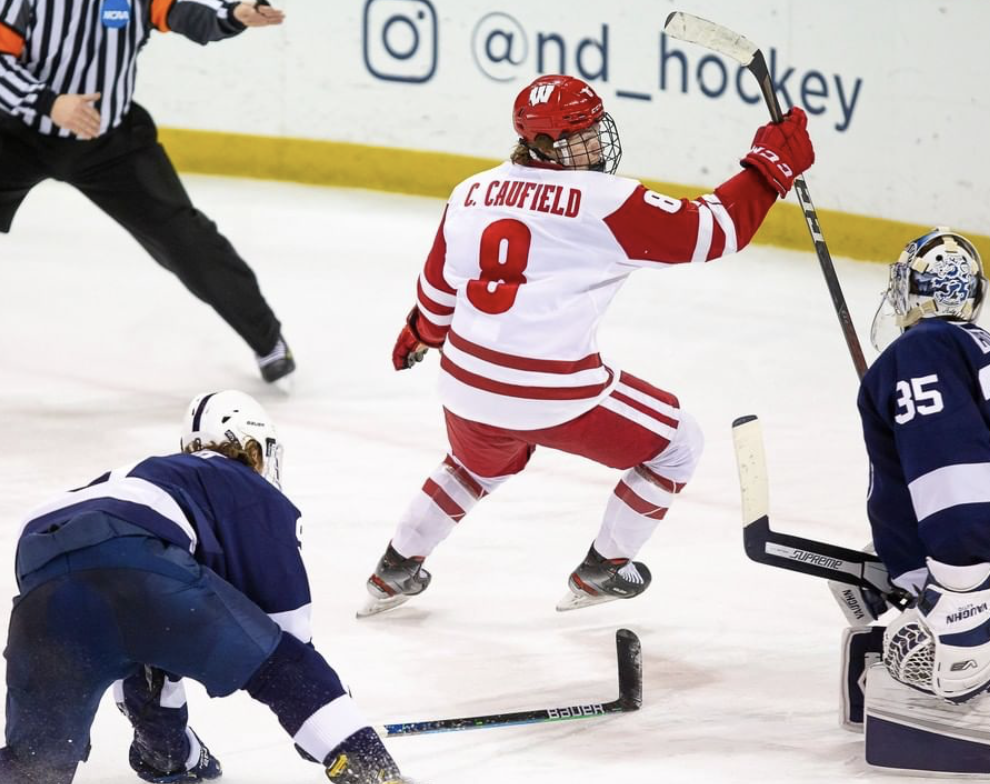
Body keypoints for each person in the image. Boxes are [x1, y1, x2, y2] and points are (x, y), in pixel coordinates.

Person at [360, 73, 815, 617]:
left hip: (465, 382)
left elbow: (437, 292)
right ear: (547, 143)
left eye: (598, 128)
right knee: (678, 443)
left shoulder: (470, 191)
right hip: (552, 392)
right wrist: (768, 168)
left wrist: (422, 335)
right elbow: (711, 232)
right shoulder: (606, 199)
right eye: (584, 134)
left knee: (475, 464)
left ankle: (395, 567)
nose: (599, 142)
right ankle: (605, 568)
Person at [0, 391, 410, 784]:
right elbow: (289, 646)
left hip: (41, 582)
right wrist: (340, 726)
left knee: (34, 767)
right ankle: (373, 770)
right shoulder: (243, 486)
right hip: (135, 563)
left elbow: (140, 643)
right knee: (282, 666)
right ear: (254, 450)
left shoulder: (145, 481)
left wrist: (175, 755)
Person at [0, 0, 294, 383]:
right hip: (16, 134)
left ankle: (267, 339)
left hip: (108, 143)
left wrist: (232, 15)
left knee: (188, 241)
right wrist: (49, 103)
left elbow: (184, 12)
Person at [855, 228, 990, 704]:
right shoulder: (977, 347)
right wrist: (908, 563)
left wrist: (959, 587)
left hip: (971, 550)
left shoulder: (919, 352)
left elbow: (954, 480)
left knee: (931, 661)